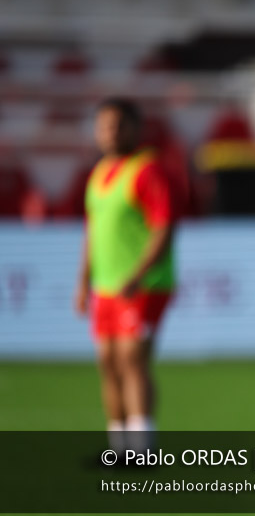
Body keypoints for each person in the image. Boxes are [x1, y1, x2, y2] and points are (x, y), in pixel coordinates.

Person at [73, 98, 177, 452]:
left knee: (132, 360)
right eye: (104, 126)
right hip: (106, 286)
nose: (111, 133)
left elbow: (164, 227)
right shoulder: (99, 173)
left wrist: (138, 274)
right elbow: (93, 232)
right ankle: (118, 446)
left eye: (118, 125)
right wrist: (83, 282)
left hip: (143, 284)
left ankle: (142, 447)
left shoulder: (147, 170)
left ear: (135, 128)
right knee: (107, 363)